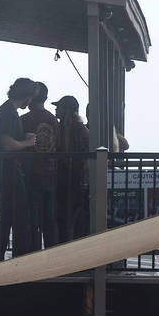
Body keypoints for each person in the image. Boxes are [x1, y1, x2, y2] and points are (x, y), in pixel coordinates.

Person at [0, 78, 38, 263]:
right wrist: (28, 142)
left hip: (3, 170)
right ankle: (14, 258)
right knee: (16, 214)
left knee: (7, 214)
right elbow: (7, 144)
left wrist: (22, 137)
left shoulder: (7, 111)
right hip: (7, 171)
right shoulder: (8, 113)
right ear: (27, 96)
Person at [19, 81, 60, 251]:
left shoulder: (23, 120)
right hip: (50, 173)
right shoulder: (53, 120)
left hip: (30, 174)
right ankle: (53, 256)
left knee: (31, 220)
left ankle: (32, 255)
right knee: (49, 220)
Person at [53, 95, 90, 242]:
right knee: (71, 217)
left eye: (59, 107)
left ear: (66, 110)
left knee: (64, 216)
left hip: (67, 178)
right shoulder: (79, 128)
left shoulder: (66, 128)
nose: (56, 109)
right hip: (74, 178)